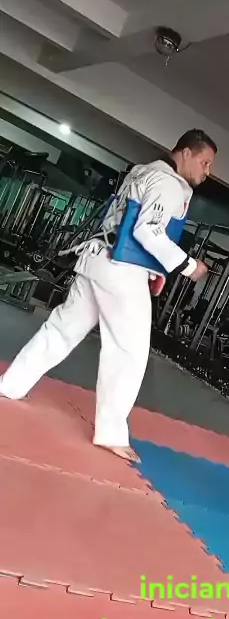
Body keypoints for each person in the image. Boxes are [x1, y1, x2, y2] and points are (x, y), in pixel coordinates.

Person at [0, 129, 216, 462]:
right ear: (186, 152)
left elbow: (127, 224)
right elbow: (147, 231)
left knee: (61, 329)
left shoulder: (142, 172)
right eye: (205, 162)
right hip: (121, 271)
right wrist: (188, 266)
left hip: (98, 259)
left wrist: (156, 269)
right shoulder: (168, 183)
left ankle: (10, 385)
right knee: (129, 351)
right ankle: (111, 433)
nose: (207, 172)